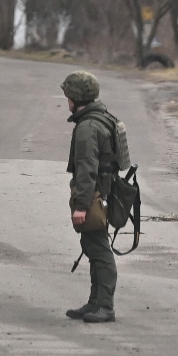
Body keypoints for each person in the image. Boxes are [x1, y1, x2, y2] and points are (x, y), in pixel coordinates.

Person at [62, 71, 119, 324]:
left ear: (76, 98)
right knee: (93, 247)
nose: (67, 101)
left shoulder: (88, 127)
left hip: (94, 196)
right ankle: (95, 302)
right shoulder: (101, 118)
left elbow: (86, 168)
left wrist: (81, 206)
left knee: (99, 250)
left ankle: (105, 306)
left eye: (68, 96)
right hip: (103, 193)